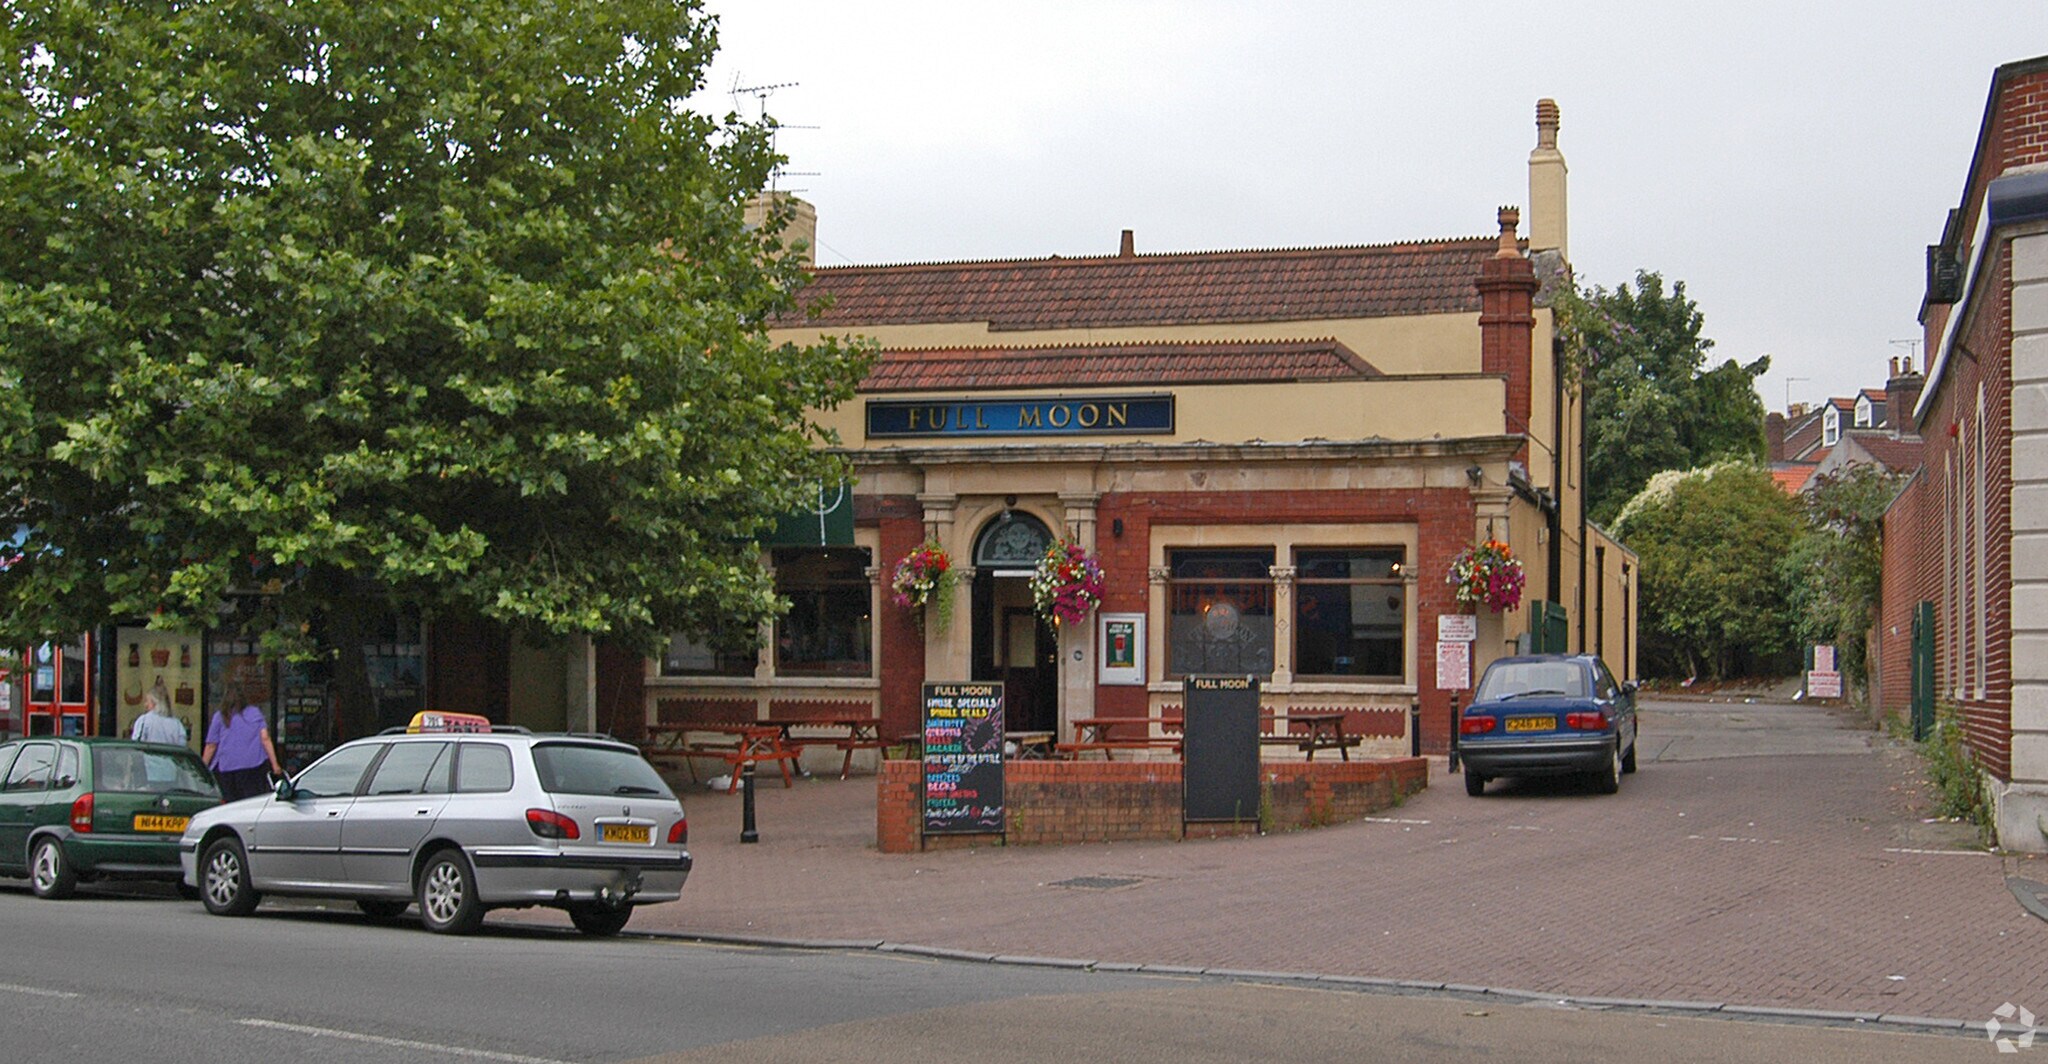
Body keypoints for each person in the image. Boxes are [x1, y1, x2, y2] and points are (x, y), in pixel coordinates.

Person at [203, 686, 283, 802]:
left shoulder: (220, 716)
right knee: (251, 803)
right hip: (253, 767)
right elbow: (265, 738)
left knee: (230, 804)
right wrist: (275, 764)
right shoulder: (255, 713)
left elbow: (211, 746)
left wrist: (203, 767)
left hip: (227, 767)